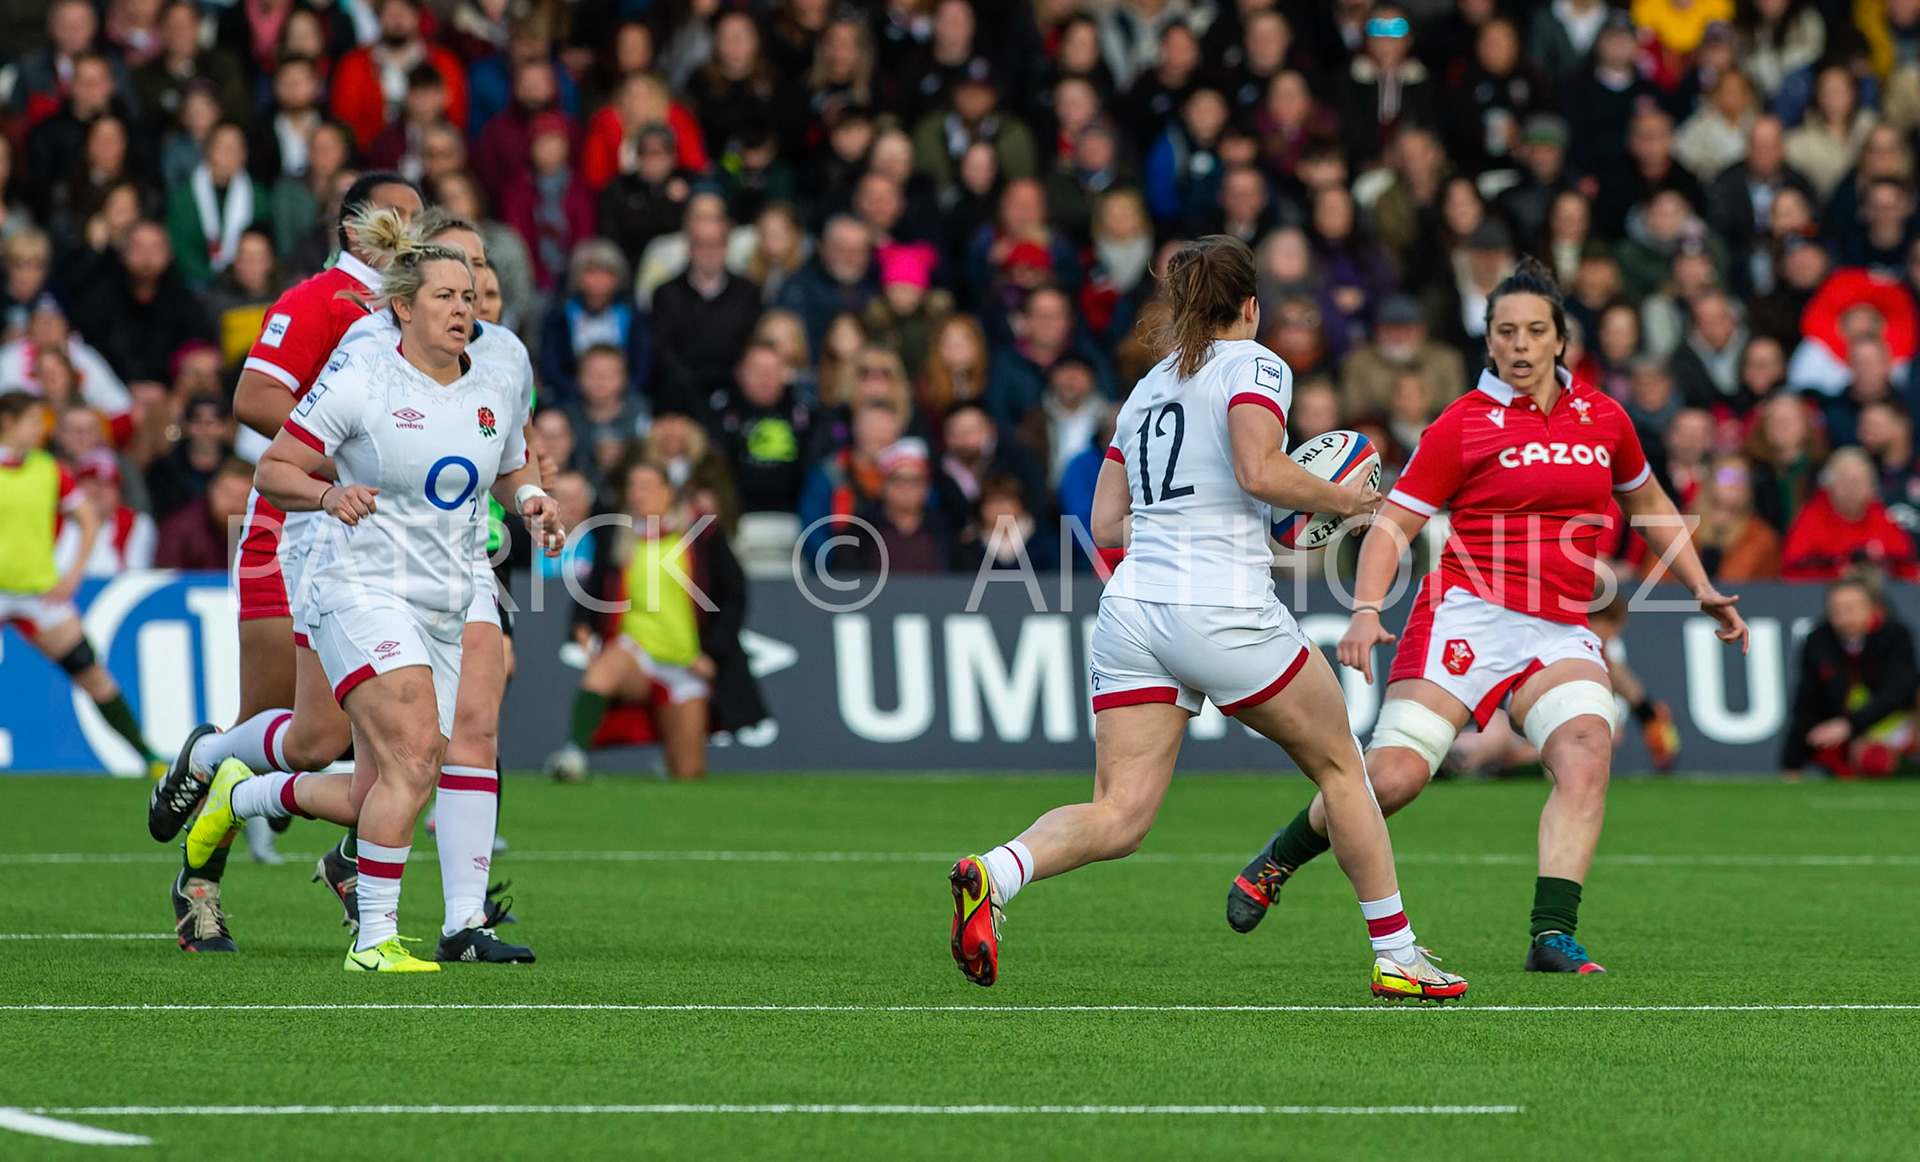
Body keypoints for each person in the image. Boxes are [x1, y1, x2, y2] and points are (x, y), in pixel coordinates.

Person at [948, 235, 1468, 1001]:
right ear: (1250, 306)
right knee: (1342, 768)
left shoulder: (1145, 388)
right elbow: (1260, 468)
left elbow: (1105, 525)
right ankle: (1399, 956)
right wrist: (1351, 501)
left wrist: (1220, 512)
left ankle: (995, 872)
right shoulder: (1257, 365)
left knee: (1120, 815)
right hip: (1219, 608)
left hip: (1131, 612)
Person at [1225, 259, 1749, 975]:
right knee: (1395, 780)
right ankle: (1279, 858)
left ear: (1562, 340)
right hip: (1465, 613)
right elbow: (1391, 525)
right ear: (1490, 341)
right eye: (1507, 331)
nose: (1522, 344)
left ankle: (1552, 933)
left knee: (1588, 749)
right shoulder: (1462, 425)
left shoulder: (1605, 417)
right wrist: (1368, 609)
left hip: (1562, 622)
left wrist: (1702, 587)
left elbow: (1650, 504)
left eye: (1537, 330)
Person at [176, 211, 544, 961]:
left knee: (384, 773)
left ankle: (241, 797)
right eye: (447, 291)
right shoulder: (362, 367)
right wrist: (327, 493)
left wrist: (532, 500)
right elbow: (275, 464)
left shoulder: (502, 369)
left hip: (452, 579)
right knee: (401, 754)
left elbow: (514, 462)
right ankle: (383, 937)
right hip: (356, 576)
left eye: (472, 291)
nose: (465, 306)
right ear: (403, 303)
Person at [146, 173, 424, 951]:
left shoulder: (412, 314)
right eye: (393, 213)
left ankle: (351, 859)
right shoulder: (319, 300)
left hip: (381, 541)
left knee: (364, 738)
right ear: (352, 228)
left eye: (417, 213)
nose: (409, 225)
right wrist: (344, 461)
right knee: (296, 731)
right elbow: (256, 400)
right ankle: (201, 874)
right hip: (291, 524)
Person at [546, 457, 759, 783]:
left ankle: (669, 762)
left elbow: (734, 594)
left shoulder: (700, 534)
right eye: (632, 486)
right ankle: (573, 755)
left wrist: (713, 651)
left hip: (686, 659)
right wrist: (582, 625)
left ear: (668, 492)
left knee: (688, 772)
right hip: (637, 648)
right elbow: (595, 585)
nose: (637, 494)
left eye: (647, 486)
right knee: (602, 672)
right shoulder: (618, 534)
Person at [0, 391, 162, 777]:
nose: (42, 430)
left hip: (37, 592)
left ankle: (147, 757)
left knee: (90, 671)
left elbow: (87, 519)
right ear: (8, 420)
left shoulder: (47, 469)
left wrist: (71, 574)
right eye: (34, 422)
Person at [1781, 570, 1917, 780]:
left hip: (1892, 727)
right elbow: (1806, 702)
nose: (1842, 618)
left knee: (1877, 760)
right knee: (1871, 761)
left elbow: (1898, 691)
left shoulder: (1895, 636)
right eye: (1835, 610)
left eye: (1850, 609)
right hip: (1846, 737)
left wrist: (1849, 725)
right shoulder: (1819, 641)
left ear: (1874, 609)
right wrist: (1791, 764)